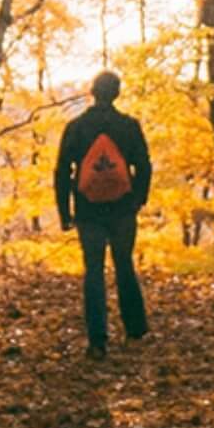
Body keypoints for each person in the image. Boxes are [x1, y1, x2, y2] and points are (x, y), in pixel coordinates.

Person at [53, 69, 154, 357]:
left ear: (92, 92)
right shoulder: (129, 126)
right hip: (123, 208)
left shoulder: (76, 127)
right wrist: (138, 200)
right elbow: (144, 166)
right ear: (117, 93)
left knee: (94, 270)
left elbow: (62, 172)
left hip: (88, 210)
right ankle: (135, 330)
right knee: (124, 264)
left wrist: (65, 212)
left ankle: (97, 340)